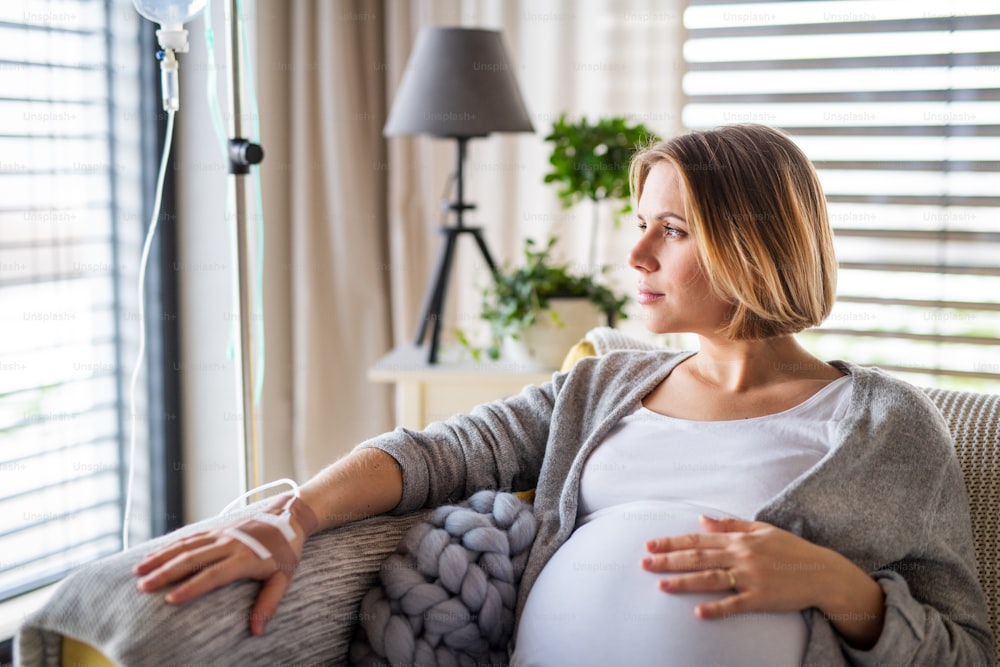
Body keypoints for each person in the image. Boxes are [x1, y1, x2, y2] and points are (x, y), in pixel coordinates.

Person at [134, 124, 996, 665]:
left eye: (674, 229)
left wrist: (840, 587)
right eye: (640, 223)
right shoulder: (600, 385)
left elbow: (965, 650)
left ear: (755, 244)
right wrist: (293, 517)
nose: (637, 258)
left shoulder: (887, 428)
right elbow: (441, 450)